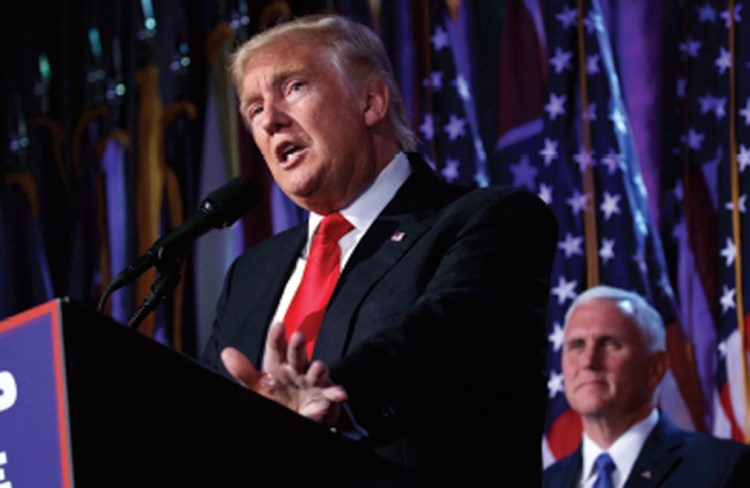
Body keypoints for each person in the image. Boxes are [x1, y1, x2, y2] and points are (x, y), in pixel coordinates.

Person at [200, 14, 558, 487]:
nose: (269, 119)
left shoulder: (491, 220)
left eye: (294, 87)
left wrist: (329, 395)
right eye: (252, 109)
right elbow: (204, 416)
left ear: (371, 101)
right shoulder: (251, 274)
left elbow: (442, 338)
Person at [543, 285, 750, 488]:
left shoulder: (722, 468)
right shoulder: (545, 481)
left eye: (609, 344)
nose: (588, 361)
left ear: (655, 367)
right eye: (576, 345)